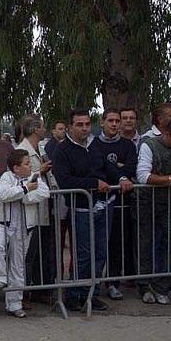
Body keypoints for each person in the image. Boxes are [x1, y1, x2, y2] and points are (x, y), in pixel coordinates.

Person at [52, 109, 111, 313]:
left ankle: (91, 294)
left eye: (87, 124)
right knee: (83, 255)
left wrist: (121, 178)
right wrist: (93, 183)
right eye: (80, 124)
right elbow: (64, 181)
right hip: (80, 208)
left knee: (100, 253)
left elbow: (106, 168)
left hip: (103, 205)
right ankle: (74, 295)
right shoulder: (62, 150)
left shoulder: (95, 146)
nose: (85, 128)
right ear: (70, 126)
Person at [0, 149, 50, 318]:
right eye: (27, 164)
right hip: (2, 222)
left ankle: (15, 304)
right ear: (16, 167)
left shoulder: (34, 177)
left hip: (24, 226)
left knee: (18, 265)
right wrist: (25, 188)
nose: (30, 166)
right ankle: (1, 277)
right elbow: (3, 194)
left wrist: (23, 195)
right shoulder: (6, 177)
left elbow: (44, 192)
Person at [135, 118, 171, 305]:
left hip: (169, 203)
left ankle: (162, 285)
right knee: (145, 244)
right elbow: (143, 176)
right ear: (167, 134)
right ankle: (144, 285)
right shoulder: (148, 145)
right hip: (146, 202)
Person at [91, 108, 137, 300]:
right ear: (102, 122)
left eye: (117, 121)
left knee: (117, 244)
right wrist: (118, 172)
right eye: (110, 120)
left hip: (121, 203)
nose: (114, 124)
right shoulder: (94, 144)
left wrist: (119, 172)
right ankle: (92, 283)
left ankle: (113, 282)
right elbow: (98, 170)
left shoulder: (128, 145)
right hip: (99, 202)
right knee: (98, 245)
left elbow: (131, 168)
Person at [16, 115, 57, 299]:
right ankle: (23, 292)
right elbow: (21, 179)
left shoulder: (40, 148)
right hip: (30, 209)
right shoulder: (21, 150)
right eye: (42, 127)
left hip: (43, 207)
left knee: (42, 251)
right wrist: (40, 171)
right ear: (35, 129)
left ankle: (41, 289)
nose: (44, 130)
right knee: (29, 253)